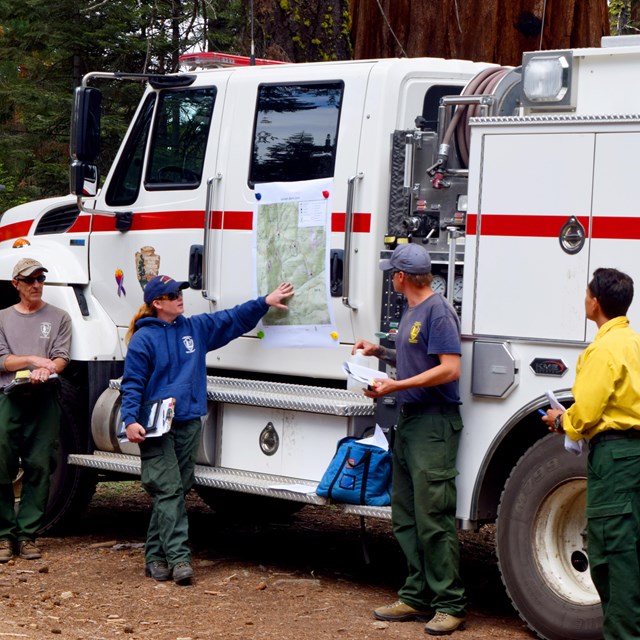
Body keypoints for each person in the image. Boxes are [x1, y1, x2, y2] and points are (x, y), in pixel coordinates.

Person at [121, 275, 294, 585]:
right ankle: (179, 559)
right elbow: (132, 383)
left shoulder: (194, 329)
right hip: (155, 427)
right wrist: (130, 419)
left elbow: (231, 319)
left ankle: (154, 556)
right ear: (157, 303)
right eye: (172, 294)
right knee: (168, 488)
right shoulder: (143, 340)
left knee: (177, 487)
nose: (180, 297)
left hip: (188, 421)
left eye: (180, 292)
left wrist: (263, 303)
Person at [353, 243, 466, 636]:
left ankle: (450, 604)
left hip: (434, 426)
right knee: (406, 516)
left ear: (401, 277)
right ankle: (416, 595)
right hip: (410, 422)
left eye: (392, 273)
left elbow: (449, 369)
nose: (391, 278)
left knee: (434, 518)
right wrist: (379, 351)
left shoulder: (438, 311)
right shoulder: (412, 311)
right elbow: (418, 360)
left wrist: (396, 385)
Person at [542, 268, 640, 640]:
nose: (584, 298)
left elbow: (588, 411)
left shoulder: (603, 349)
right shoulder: (633, 342)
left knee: (613, 560)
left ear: (595, 301)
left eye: (586, 292)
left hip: (613, 460)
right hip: (634, 455)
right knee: (632, 553)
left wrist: (561, 419)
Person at [0, 258, 72, 562]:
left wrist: (49, 369)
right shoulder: (2, 318)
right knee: (2, 460)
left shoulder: (59, 317)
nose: (36, 285)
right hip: (9, 396)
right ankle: (4, 535)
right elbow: (2, 361)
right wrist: (32, 360)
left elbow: (61, 357)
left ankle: (27, 535)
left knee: (40, 465)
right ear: (16, 284)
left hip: (45, 397)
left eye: (40, 279)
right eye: (29, 280)